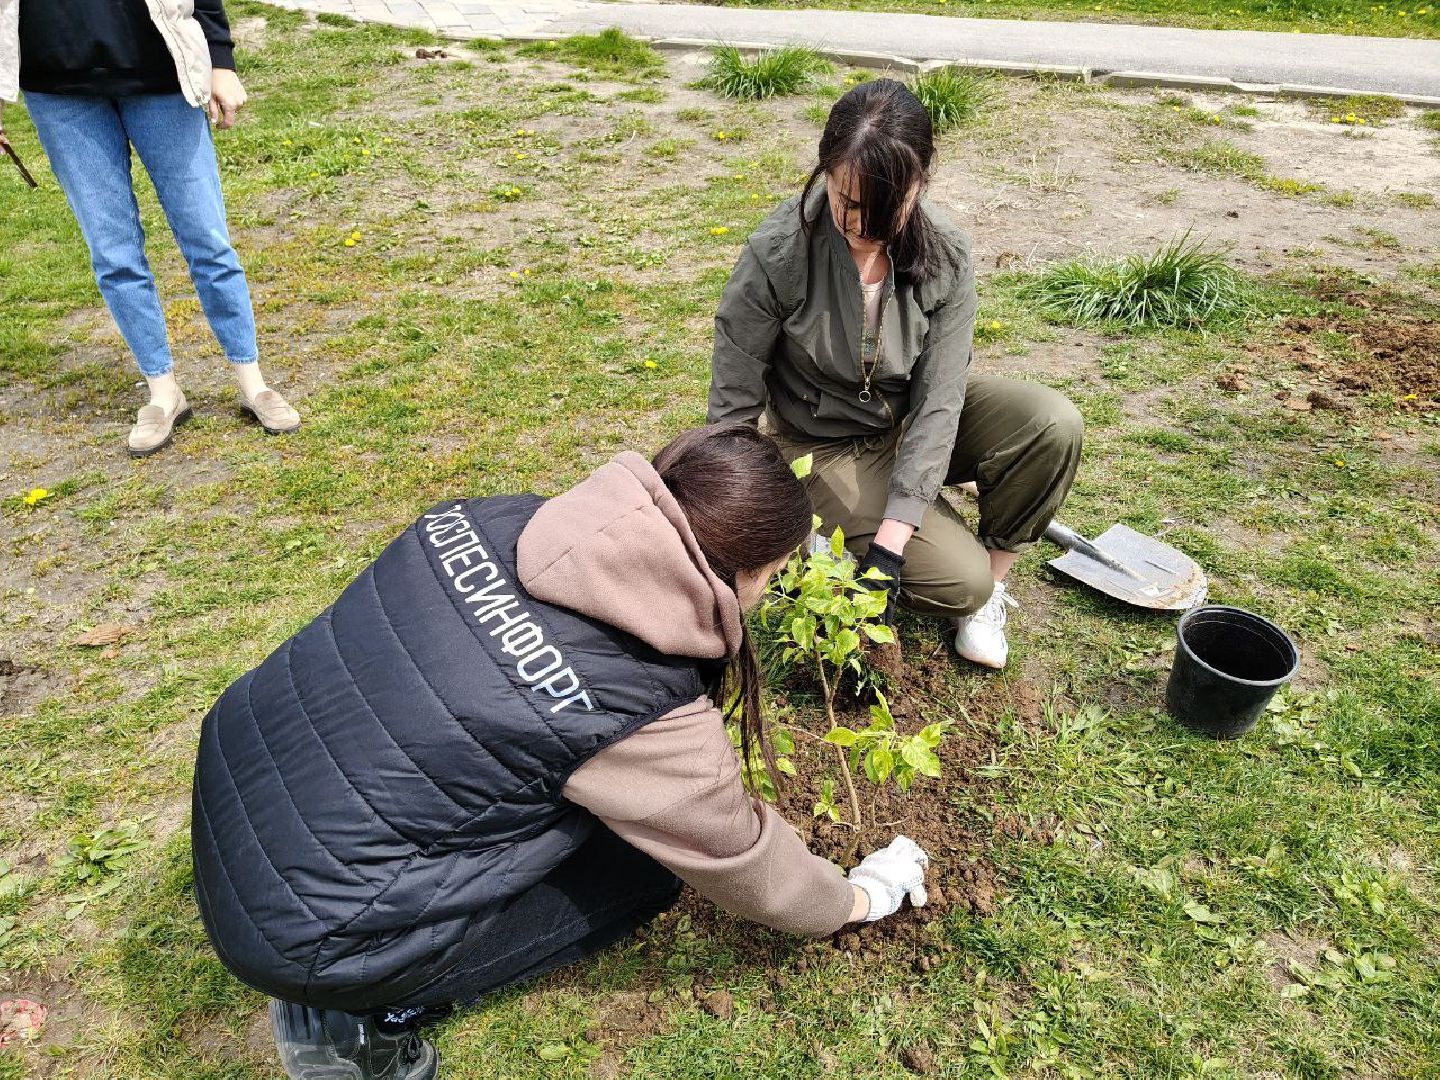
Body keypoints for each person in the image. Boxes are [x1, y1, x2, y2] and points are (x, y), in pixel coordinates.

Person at [190, 423, 931, 1080]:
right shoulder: (638, 702)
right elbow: (746, 865)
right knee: (643, 871)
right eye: (772, 578)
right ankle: (363, 1021)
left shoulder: (493, 517)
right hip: (305, 928)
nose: (768, 596)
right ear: (742, 571)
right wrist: (859, 897)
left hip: (241, 771)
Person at [709, 79, 1084, 670]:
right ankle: (833, 546)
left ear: (920, 185)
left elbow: (941, 402)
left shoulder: (946, 256)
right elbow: (731, 406)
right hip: (820, 443)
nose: (861, 226)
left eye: (887, 210)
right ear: (826, 171)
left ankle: (986, 590)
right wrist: (749, 520)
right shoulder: (778, 253)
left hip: (905, 420)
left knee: (1049, 422)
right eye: (846, 201)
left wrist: (893, 539)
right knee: (956, 576)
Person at [0, 0, 300, 456]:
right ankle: (163, 392)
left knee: (207, 239)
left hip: (161, 73)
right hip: (57, 89)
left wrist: (220, 61)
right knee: (113, 252)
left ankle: (253, 382)